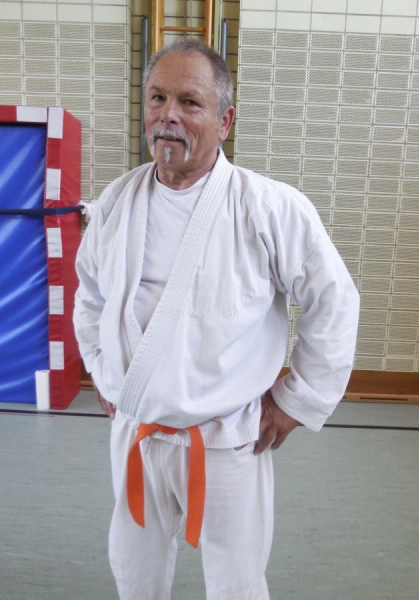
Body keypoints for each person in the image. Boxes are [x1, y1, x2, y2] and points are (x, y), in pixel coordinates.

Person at [73, 39, 360, 600]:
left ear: (225, 121)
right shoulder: (115, 201)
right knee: (133, 573)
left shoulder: (269, 206)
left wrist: (296, 401)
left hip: (228, 435)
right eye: (157, 98)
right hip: (136, 428)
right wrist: (104, 371)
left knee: (236, 583)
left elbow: (335, 300)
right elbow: (90, 294)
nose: (168, 116)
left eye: (190, 102)